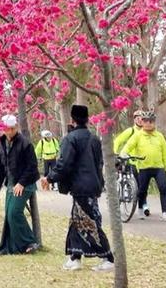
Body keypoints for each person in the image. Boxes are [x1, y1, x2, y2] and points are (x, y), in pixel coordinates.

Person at [42, 104, 114, 272]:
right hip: (93, 186)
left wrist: (50, 178)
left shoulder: (70, 139)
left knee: (90, 222)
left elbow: (64, 164)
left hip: (81, 187)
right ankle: (75, 257)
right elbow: (99, 164)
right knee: (77, 220)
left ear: (72, 120)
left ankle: (107, 258)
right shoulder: (94, 138)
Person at [0, 114, 40, 255]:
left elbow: (32, 166)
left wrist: (21, 183)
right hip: (11, 183)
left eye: (12, 129)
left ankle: (30, 241)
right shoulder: (1, 143)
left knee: (14, 212)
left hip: (26, 184)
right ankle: (11, 247)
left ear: (16, 128)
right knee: (8, 214)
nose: (9, 132)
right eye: (6, 129)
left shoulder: (25, 143)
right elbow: (0, 167)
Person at [121, 111, 166, 221]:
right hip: (144, 167)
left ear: (154, 122)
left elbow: (165, 153)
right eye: (145, 121)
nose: (148, 123)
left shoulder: (159, 136)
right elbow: (128, 146)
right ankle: (140, 209)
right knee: (142, 190)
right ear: (142, 122)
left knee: (163, 188)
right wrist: (124, 154)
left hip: (159, 167)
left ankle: (164, 213)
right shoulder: (138, 135)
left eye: (151, 121)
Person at [113, 108, 150, 214]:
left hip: (142, 162)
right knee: (129, 178)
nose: (139, 120)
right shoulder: (131, 131)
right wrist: (115, 152)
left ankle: (143, 205)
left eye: (141, 118)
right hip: (130, 160)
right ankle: (123, 190)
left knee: (142, 185)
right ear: (134, 120)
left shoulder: (146, 132)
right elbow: (118, 141)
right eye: (137, 118)